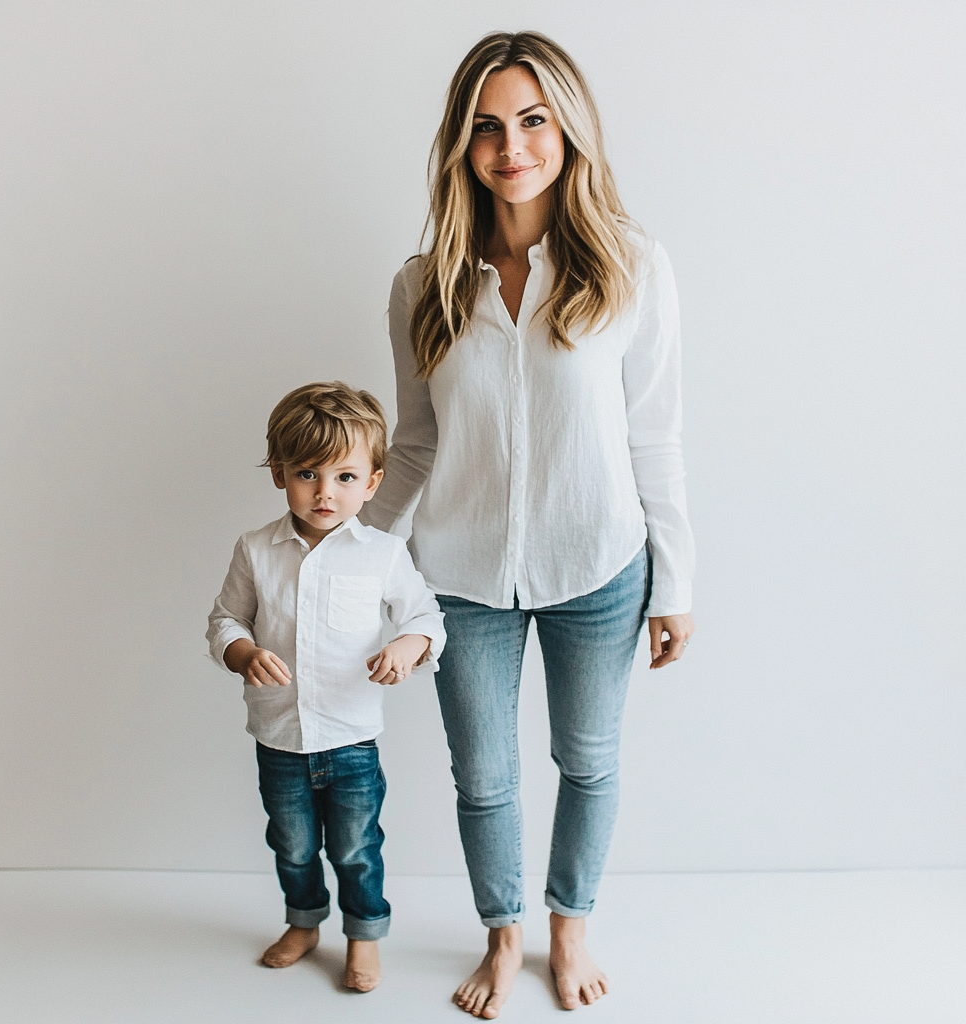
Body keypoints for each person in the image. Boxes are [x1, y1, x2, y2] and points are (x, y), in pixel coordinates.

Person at [358, 31, 695, 1017]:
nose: (513, 146)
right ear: (461, 144)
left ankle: (568, 923)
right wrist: (353, 559)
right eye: (488, 126)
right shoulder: (421, 287)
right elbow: (413, 446)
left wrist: (676, 582)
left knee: (586, 759)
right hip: (458, 572)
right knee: (485, 772)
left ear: (568, 129)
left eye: (534, 120)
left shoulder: (633, 265)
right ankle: (503, 935)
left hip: (599, 564)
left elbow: (656, 437)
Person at [206, 381, 446, 993]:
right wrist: (242, 650)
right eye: (308, 473)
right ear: (280, 474)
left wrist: (407, 645)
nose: (324, 492)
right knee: (290, 845)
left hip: (351, 741)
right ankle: (305, 923)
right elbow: (225, 618)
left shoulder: (384, 554)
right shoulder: (256, 550)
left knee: (357, 848)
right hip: (280, 738)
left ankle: (363, 937)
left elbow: (426, 617)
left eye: (344, 476)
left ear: (372, 481)